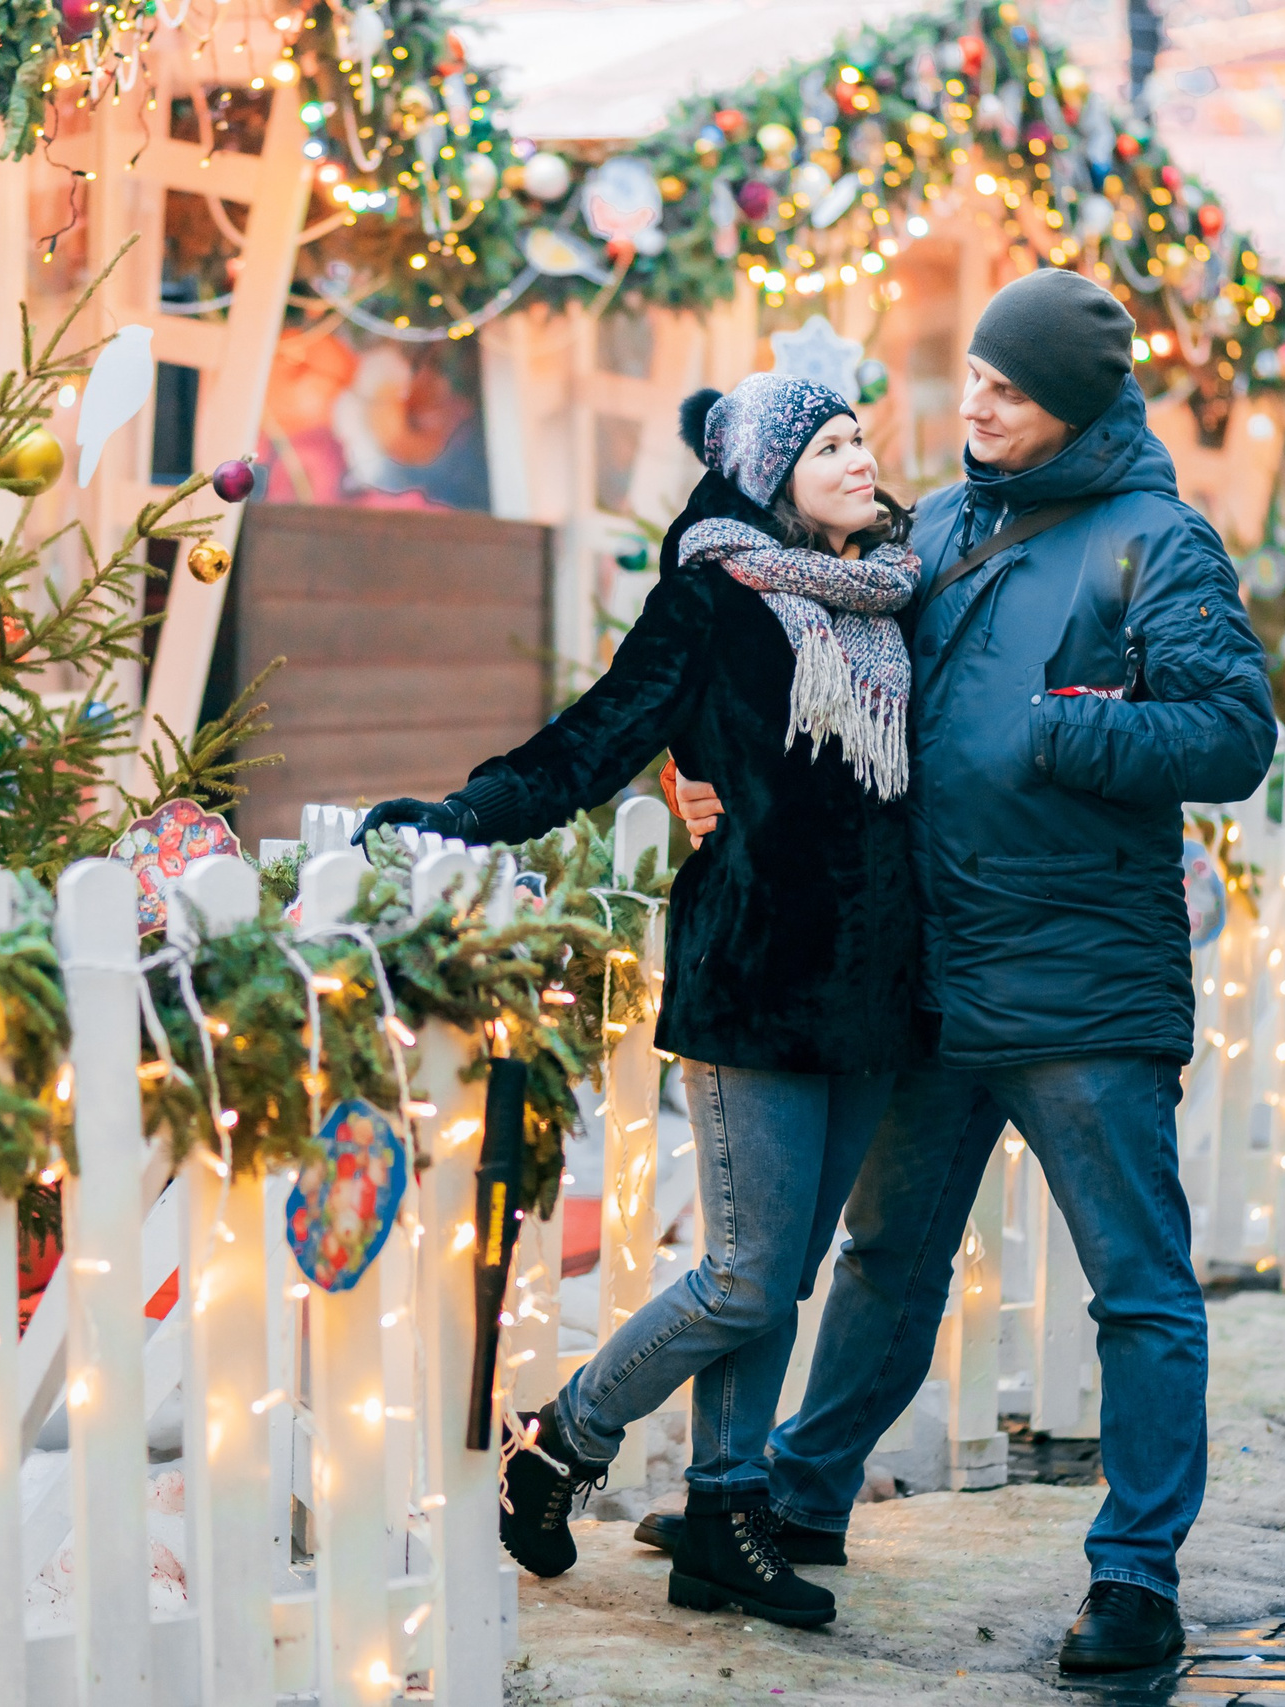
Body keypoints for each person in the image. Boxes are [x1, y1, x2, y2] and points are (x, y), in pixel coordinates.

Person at [657, 268, 1276, 1672]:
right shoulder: (929, 526)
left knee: (1135, 1283)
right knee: (885, 1257)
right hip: (927, 976)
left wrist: (1066, 729)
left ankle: (1135, 1576)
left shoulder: (1156, 542)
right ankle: (801, 1495)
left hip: (1082, 987)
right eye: (977, 378)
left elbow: (1234, 733)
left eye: (1009, 388)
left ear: (1074, 405)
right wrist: (707, 773)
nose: (975, 404)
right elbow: (802, 661)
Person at [355, 372, 925, 1630]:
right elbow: (597, 735)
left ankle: (723, 1516)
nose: (858, 459)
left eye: (860, 439)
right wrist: (461, 817)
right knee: (745, 1277)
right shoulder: (712, 596)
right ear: (769, 477)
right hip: (754, 977)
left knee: (783, 1275)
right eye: (826, 446)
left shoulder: (895, 595)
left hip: (871, 992)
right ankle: (561, 1440)